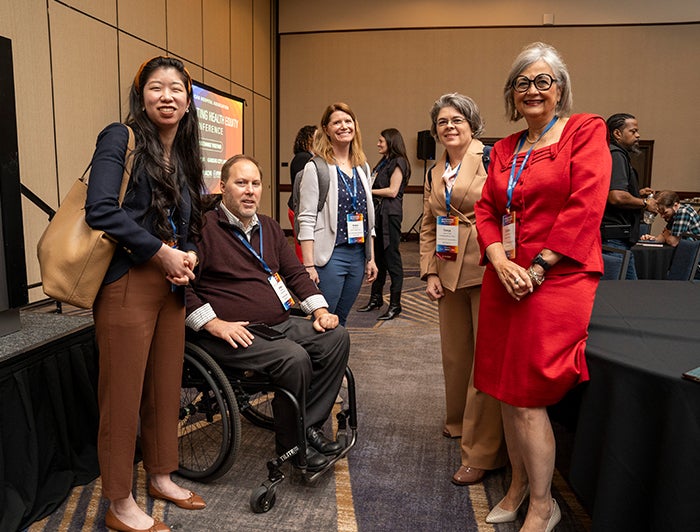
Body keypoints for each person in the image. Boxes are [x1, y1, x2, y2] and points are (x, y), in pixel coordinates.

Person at [474, 42, 611, 531]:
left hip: (558, 274)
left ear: (560, 89)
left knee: (528, 394)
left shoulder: (584, 130)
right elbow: (486, 210)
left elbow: (586, 203)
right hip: (506, 275)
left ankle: (542, 503)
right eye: (522, 83)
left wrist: (535, 268)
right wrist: (498, 259)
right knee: (504, 389)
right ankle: (516, 486)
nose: (532, 90)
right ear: (512, 93)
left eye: (542, 81)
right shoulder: (504, 149)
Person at [85, 56, 206, 532]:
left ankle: (160, 475)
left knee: (163, 389)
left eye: (177, 88)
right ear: (141, 95)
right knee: (122, 398)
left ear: (188, 101)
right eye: (156, 87)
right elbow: (100, 210)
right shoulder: (121, 137)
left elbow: (190, 223)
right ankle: (119, 502)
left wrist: (188, 253)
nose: (167, 96)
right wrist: (160, 253)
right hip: (128, 280)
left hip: (171, 285)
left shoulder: (184, 153)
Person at [185, 154, 349, 472]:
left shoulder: (269, 227)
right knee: (293, 358)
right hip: (231, 332)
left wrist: (320, 310)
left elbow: (296, 274)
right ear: (222, 187)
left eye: (255, 183)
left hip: (277, 324)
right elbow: (181, 288)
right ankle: (294, 448)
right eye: (241, 183)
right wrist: (214, 324)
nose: (250, 191)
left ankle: (307, 427)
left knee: (336, 337)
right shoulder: (202, 229)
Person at [419, 93, 507, 486]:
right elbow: (428, 223)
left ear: (472, 125)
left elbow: (507, 210)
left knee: (484, 362)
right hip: (448, 267)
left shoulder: (490, 158)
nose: (449, 127)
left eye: (457, 120)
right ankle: (458, 421)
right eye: (442, 122)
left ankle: (482, 452)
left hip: (487, 267)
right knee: (456, 356)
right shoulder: (436, 169)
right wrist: (429, 273)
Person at [297, 102, 378, 326]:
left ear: (355, 126)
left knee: (341, 320)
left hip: (358, 255)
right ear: (326, 129)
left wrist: (371, 258)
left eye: (348, 121)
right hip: (330, 256)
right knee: (323, 319)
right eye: (337, 122)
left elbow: (369, 219)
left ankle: (337, 351)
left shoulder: (362, 167)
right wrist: (309, 266)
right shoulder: (317, 167)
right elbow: (306, 218)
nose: (343, 126)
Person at [357, 128, 411, 320]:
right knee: (378, 257)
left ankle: (395, 304)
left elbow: (393, 191)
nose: (378, 144)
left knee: (392, 258)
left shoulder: (399, 161)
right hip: (379, 214)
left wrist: (367, 191)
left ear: (391, 141)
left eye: (381, 141)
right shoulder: (384, 162)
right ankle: (376, 298)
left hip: (390, 215)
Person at [600, 113, 658, 279]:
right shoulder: (616, 155)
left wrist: (636, 194)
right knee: (619, 291)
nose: (638, 135)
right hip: (614, 239)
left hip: (615, 238)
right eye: (633, 131)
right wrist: (645, 203)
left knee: (629, 289)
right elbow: (616, 196)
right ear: (617, 133)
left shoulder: (611, 153)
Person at [288, 125, 317, 262]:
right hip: (299, 209)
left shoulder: (307, 157)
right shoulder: (303, 158)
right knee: (303, 249)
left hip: (300, 208)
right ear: (308, 139)